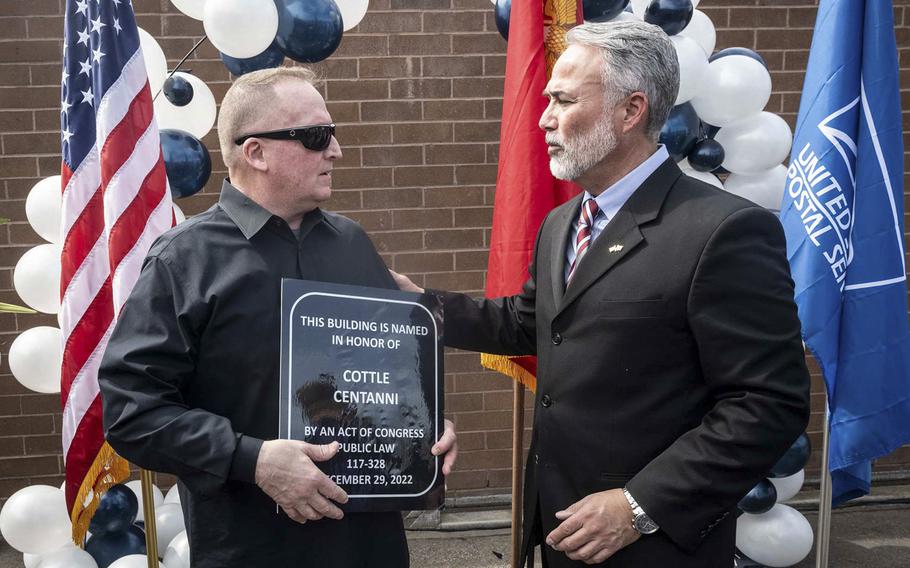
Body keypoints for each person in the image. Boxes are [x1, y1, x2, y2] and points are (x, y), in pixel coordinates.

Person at [392, 21, 810, 567]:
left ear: (631, 110)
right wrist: (424, 307)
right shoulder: (562, 222)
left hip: (653, 544)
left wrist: (638, 507)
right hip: (563, 528)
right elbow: (529, 322)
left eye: (563, 100)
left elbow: (768, 404)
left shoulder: (723, 232)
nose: (543, 119)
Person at [99, 66, 457, 567]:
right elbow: (132, 412)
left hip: (369, 547)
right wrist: (254, 459)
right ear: (256, 152)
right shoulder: (185, 260)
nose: (335, 150)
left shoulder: (353, 244)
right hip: (251, 548)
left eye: (332, 135)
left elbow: (394, 375)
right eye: (315, 136)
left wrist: (426, 426)